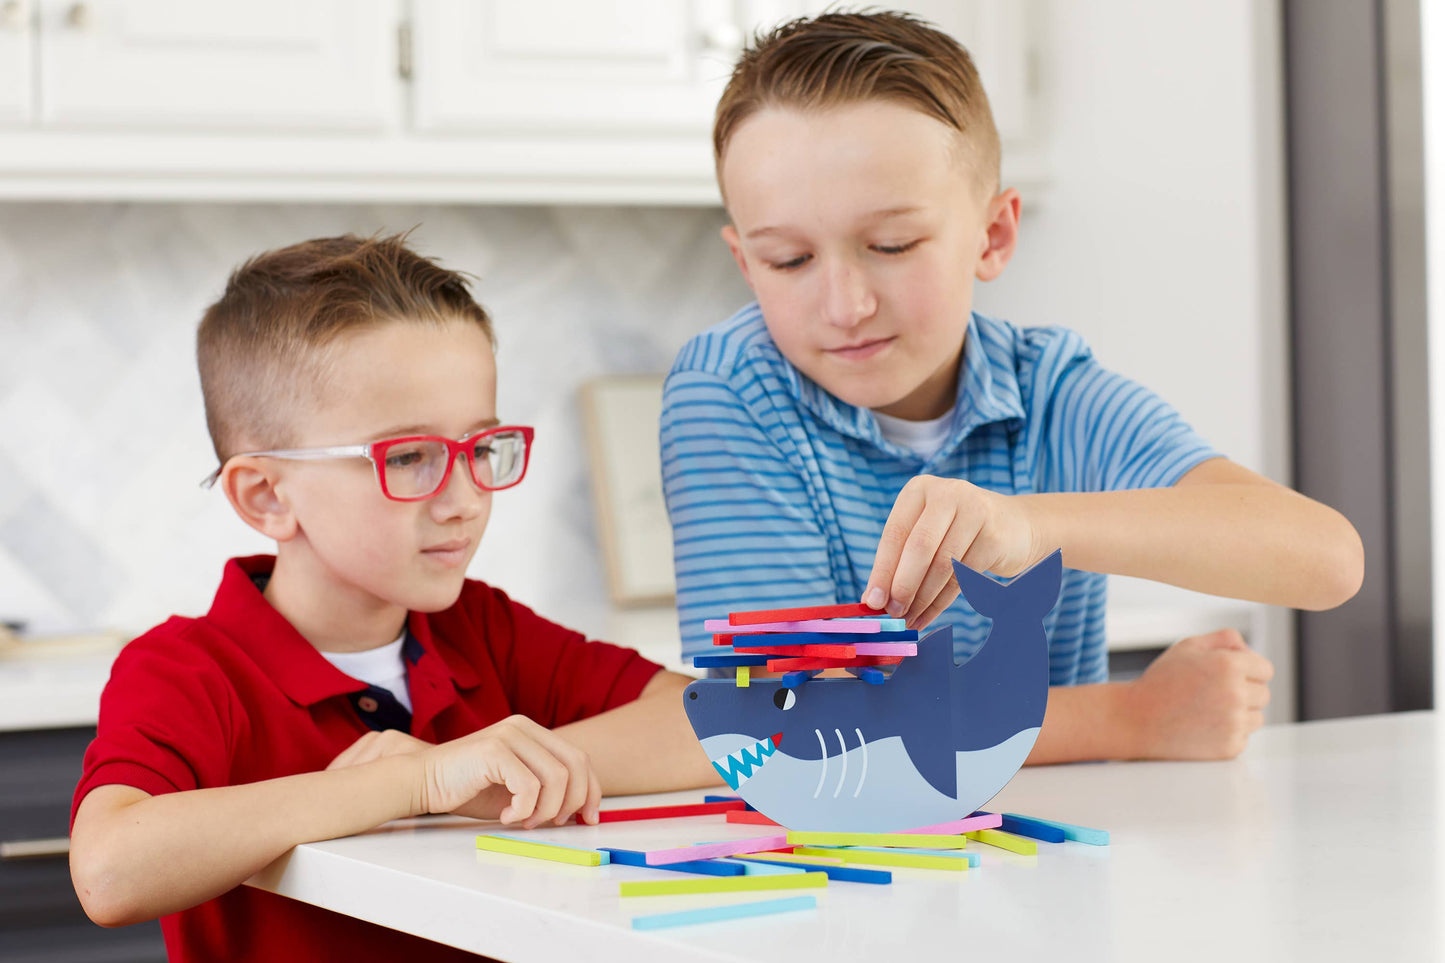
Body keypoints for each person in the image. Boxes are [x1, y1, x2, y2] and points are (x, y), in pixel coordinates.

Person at [660, 11, 1362, 763]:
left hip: (1054, 855)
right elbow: (788, 728)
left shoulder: (1051, 391)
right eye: (790, 260)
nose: (845, 305)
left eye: (891, 245)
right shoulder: (729, 392)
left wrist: (1026, 526)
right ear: (744, 260)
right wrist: (1125, 718)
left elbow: (1325, 559)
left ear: (992, 236)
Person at [70, 233, 718, 961]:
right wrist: (418, 781)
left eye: (480, 447)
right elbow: (109, 869)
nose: (466, 499)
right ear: (266, 495)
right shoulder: (188, 670)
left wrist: (496, 773)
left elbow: (716, 726)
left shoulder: (484, 627)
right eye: (409, 457)